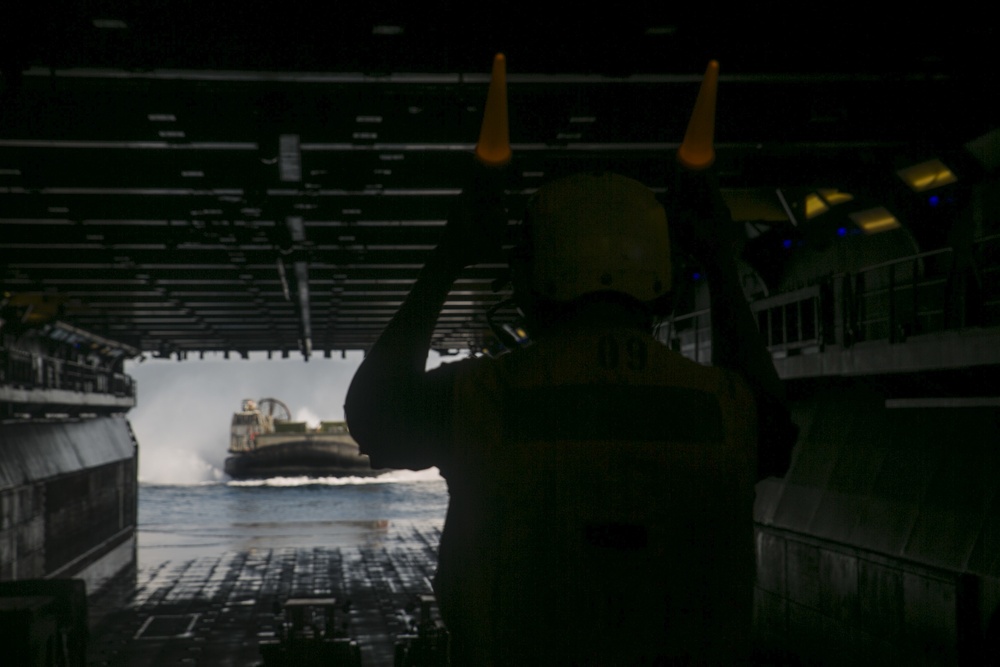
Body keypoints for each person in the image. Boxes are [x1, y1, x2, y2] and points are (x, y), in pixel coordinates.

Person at [345, 58, 796, 665]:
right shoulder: (729, 405)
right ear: (660, 284)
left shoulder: (478, 396)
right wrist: (720, 260)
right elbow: (775, 434)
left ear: (533, 282)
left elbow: (374, 418)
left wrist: (452, 252)